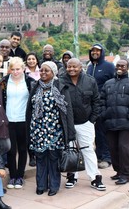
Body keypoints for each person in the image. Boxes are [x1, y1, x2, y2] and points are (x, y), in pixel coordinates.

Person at [26, 61, 75, 196]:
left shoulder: (60, 87)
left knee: (54, 159)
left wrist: (71, 133)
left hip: (55, 131)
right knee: (40, 158)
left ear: (53, 72)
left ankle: (54, 186)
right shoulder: (35, 86)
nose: (43, 73)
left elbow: (68, 110)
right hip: (38, 130)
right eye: (41, 70)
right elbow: (29, 109)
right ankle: (41, 185)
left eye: (46, 71)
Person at [60, 58, 106, 191]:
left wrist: (92, 119)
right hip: (67, 124)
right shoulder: (61, 81)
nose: (71, 69)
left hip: (85, 122)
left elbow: (96, 101)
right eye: (69, 67)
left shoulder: (90, 81)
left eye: (75, 67)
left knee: (88, 150)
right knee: (69, 151)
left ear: (81, 67)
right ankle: (72, 176)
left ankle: (95, 178)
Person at [100, 59, 129, 185]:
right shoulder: (108, 83)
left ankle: (126, 174)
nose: (120, 67)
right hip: (110, 121)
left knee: (124, 148)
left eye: (123, 66)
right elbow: (102, 100)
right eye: (118, 65)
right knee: (113, 148)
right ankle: (119, 171)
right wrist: (104, 114)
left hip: (125, 122)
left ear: (127, 68)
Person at [1, 57, 35, 189]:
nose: (15, 72)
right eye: (13, 69)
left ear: (23, 69)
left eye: (18, 69)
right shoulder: (4, 82)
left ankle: (20, 176)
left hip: (24, 120)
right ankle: (12, 176)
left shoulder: (29, 82)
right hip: (9, 120)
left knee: (22, 149)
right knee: (11, 149)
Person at [86, 43, 115, 169]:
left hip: (104, 103)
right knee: (95, 132)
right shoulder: (90, 66)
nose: (95, 53)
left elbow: (115, 83)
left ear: (102, 52)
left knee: (104, 131)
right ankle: (98, 156)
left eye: (97, 51)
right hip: (91, 104)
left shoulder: (108, 66)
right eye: (93, 51)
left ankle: (107, 157)